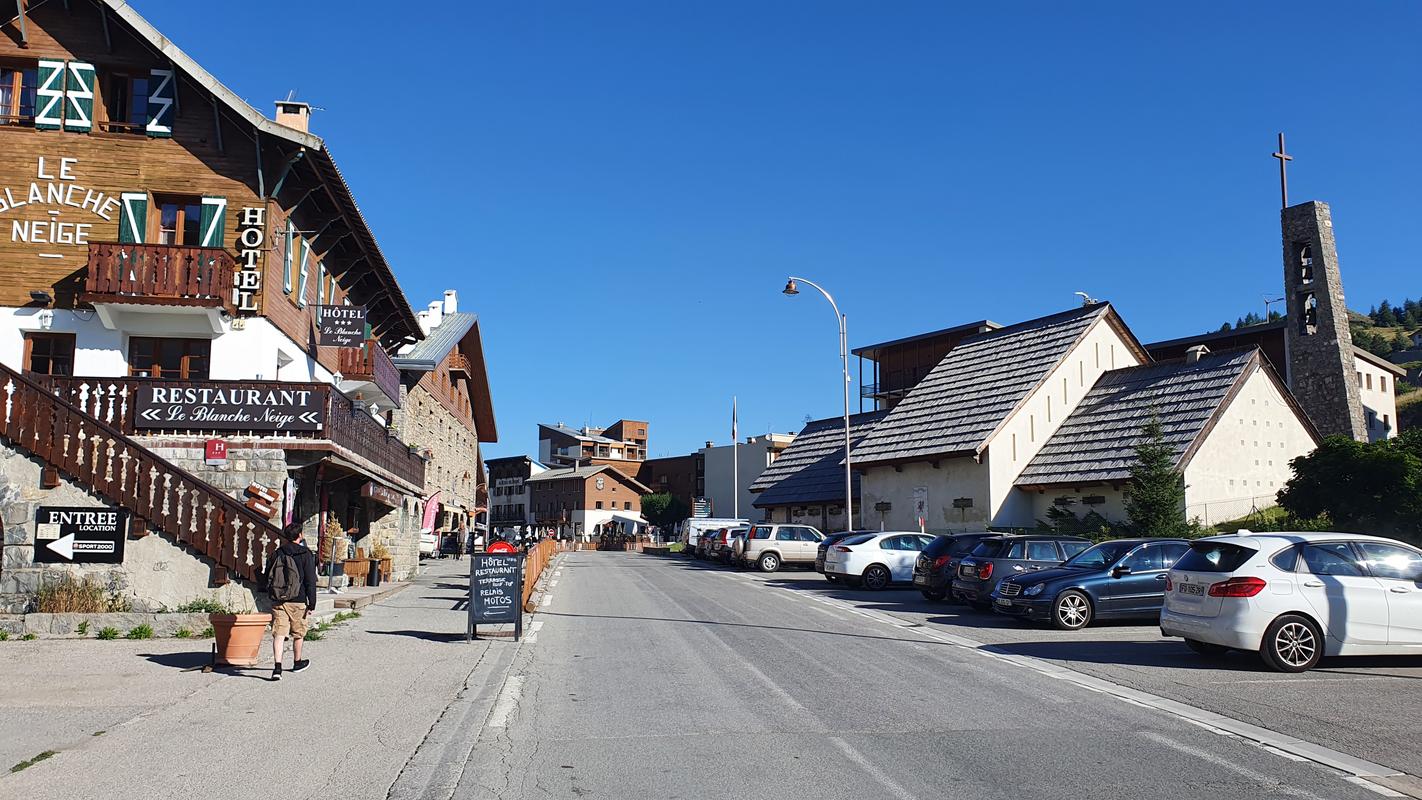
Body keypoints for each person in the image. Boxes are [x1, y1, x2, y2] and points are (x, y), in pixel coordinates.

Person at [264, 522, 317, 681]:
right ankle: (297, 662)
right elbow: (310, 581)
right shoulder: (305, 554)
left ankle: (277, 668)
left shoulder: (277, 553)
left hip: (279, 599)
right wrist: (311, 602)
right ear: (300, 535)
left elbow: (268, 575)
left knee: (279, 634)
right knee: (298, 633)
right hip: (298, 600)